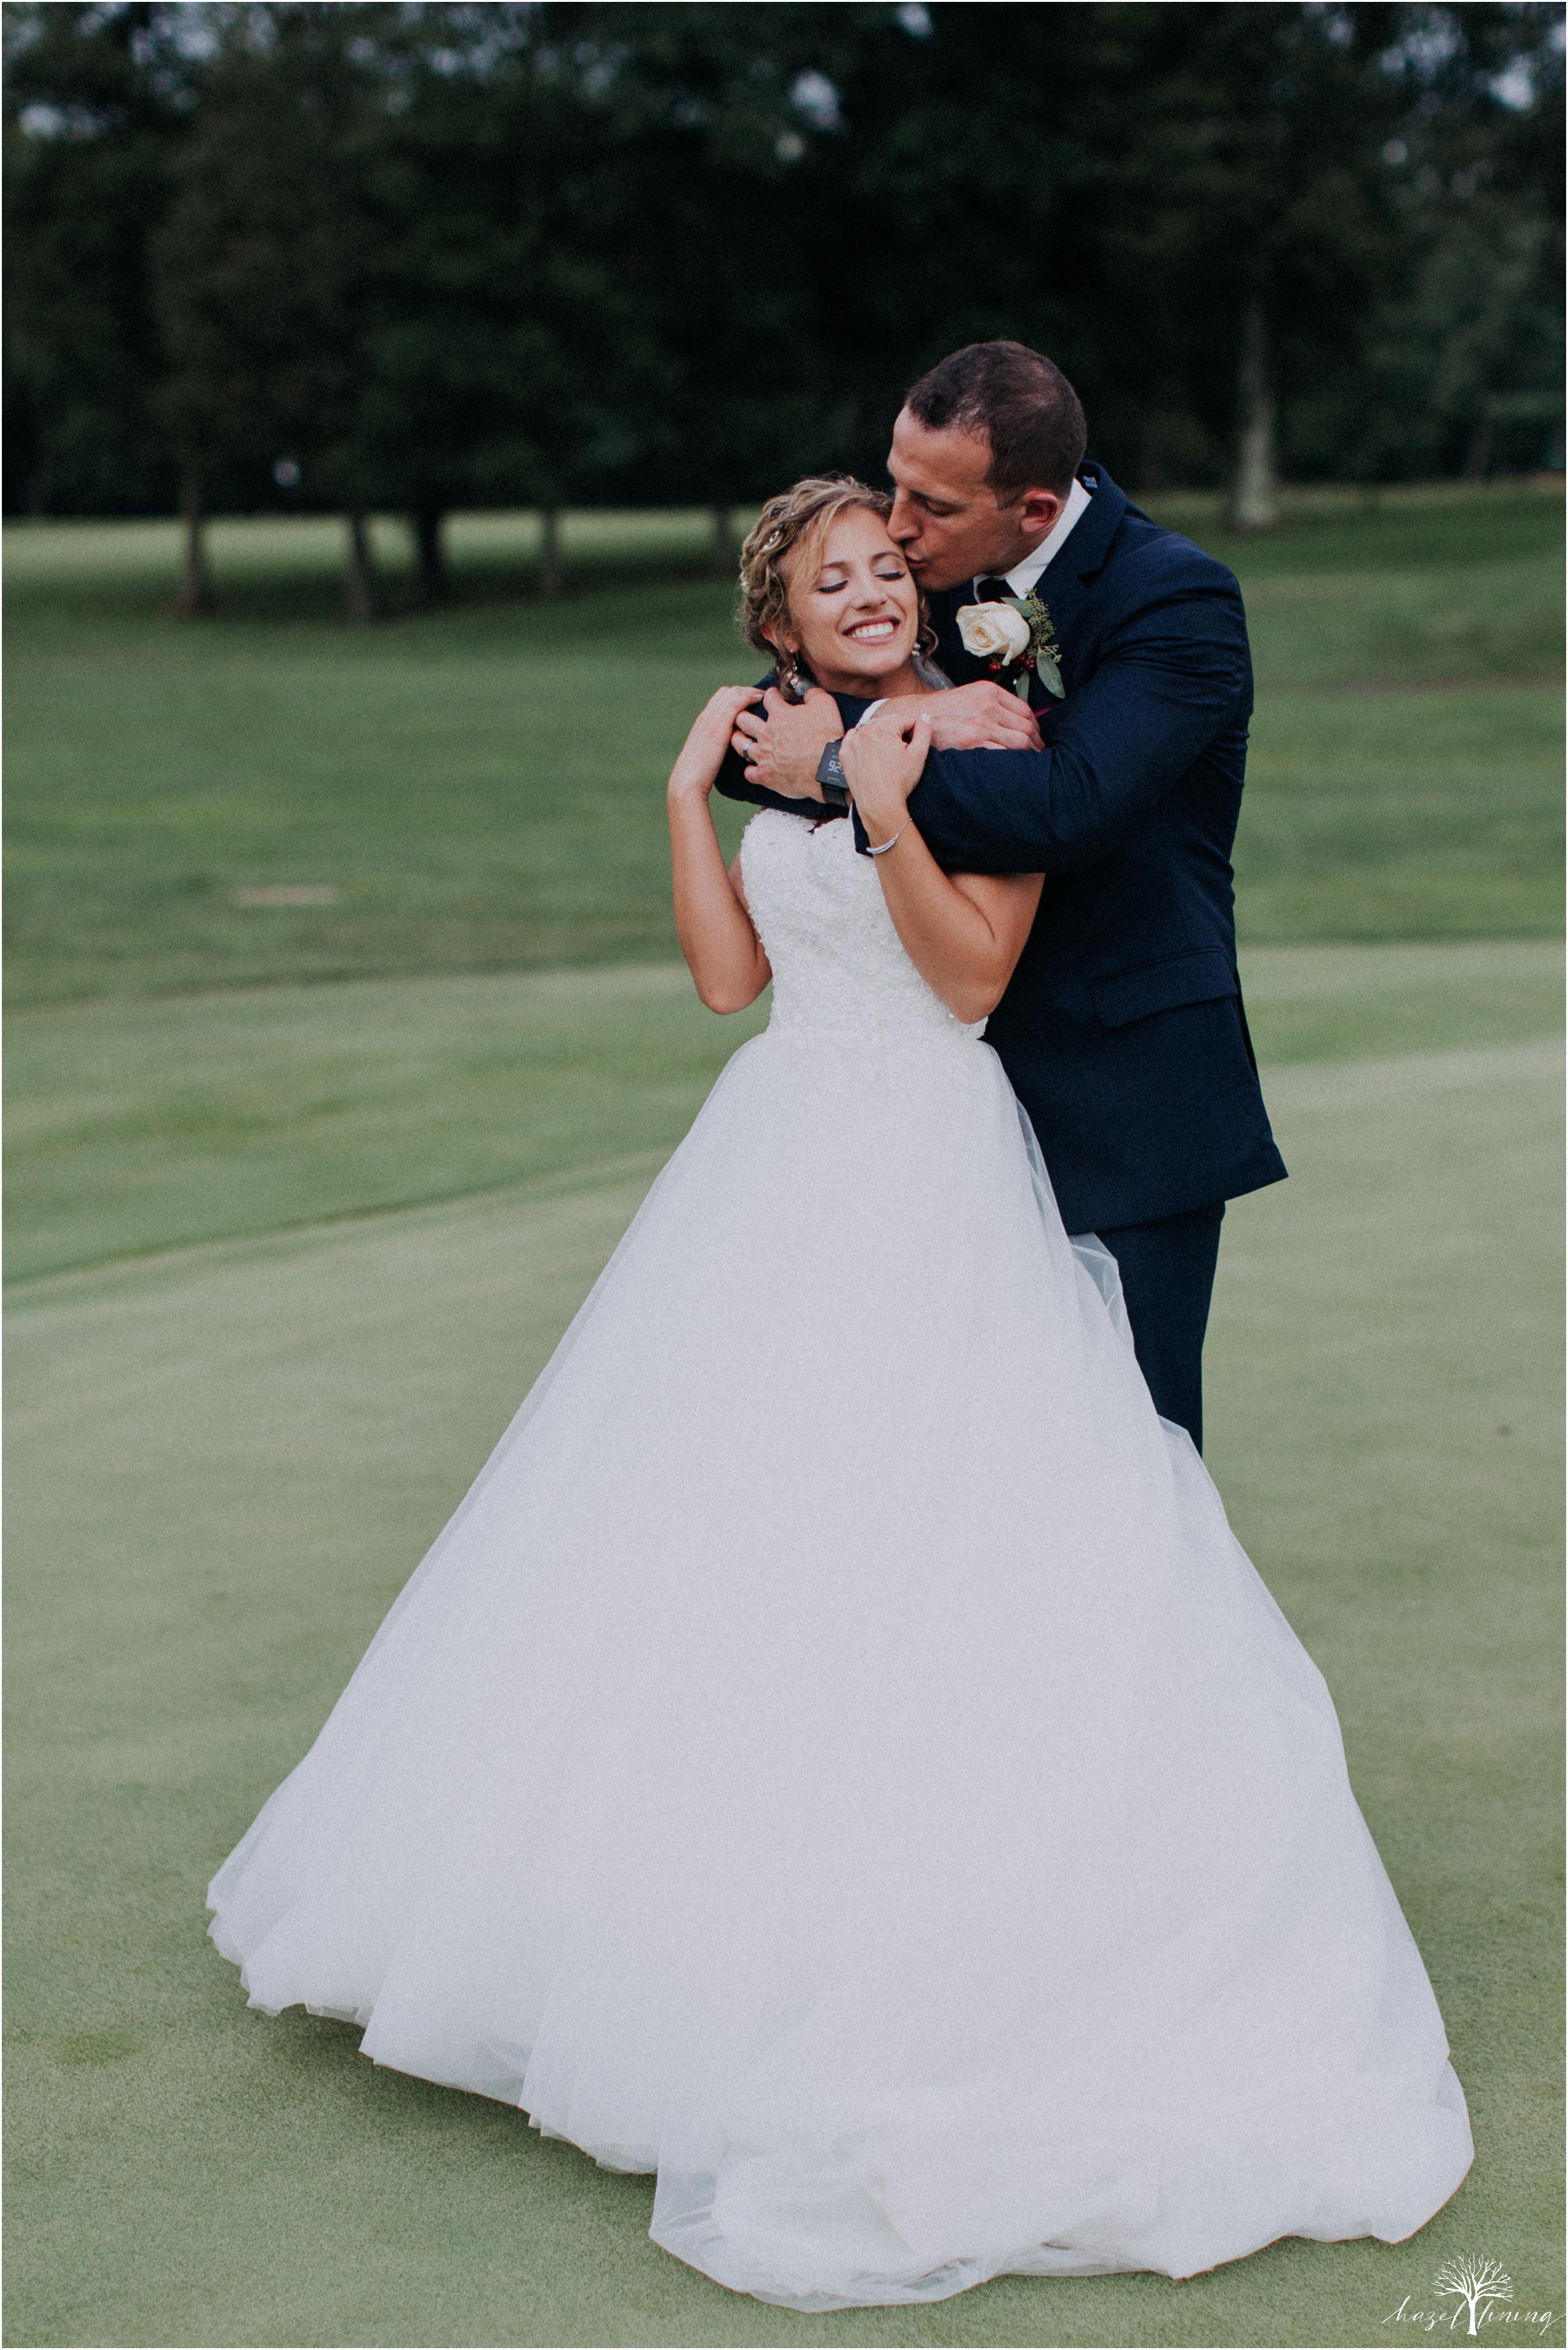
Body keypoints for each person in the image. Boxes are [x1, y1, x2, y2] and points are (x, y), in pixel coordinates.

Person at [209, 477, 1471, 2314]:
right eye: (836, 579)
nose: (875, 592)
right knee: (711, 1529)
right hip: (776, 1153)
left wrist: (873, 791)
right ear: (778, 624)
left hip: (933, 1162)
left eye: (891, 567)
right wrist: (681, 799)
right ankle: (657, 1923)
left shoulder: (983, 725)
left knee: (931, 1521)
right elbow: (732, 980)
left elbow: (967, 985)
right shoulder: (776, 750)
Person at [719, 339, 1286, 1451]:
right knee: (951, 1454)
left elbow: (1067, 808)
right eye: (894, 484)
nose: (896, 525)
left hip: (1123, 1090)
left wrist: (845, 765)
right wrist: (900, 724)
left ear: (1033, 509)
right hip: (942, 1123)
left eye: (927, 505)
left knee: (1129, 1453)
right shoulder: (937, 573)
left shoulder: (1176, 601)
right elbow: (760, 732)